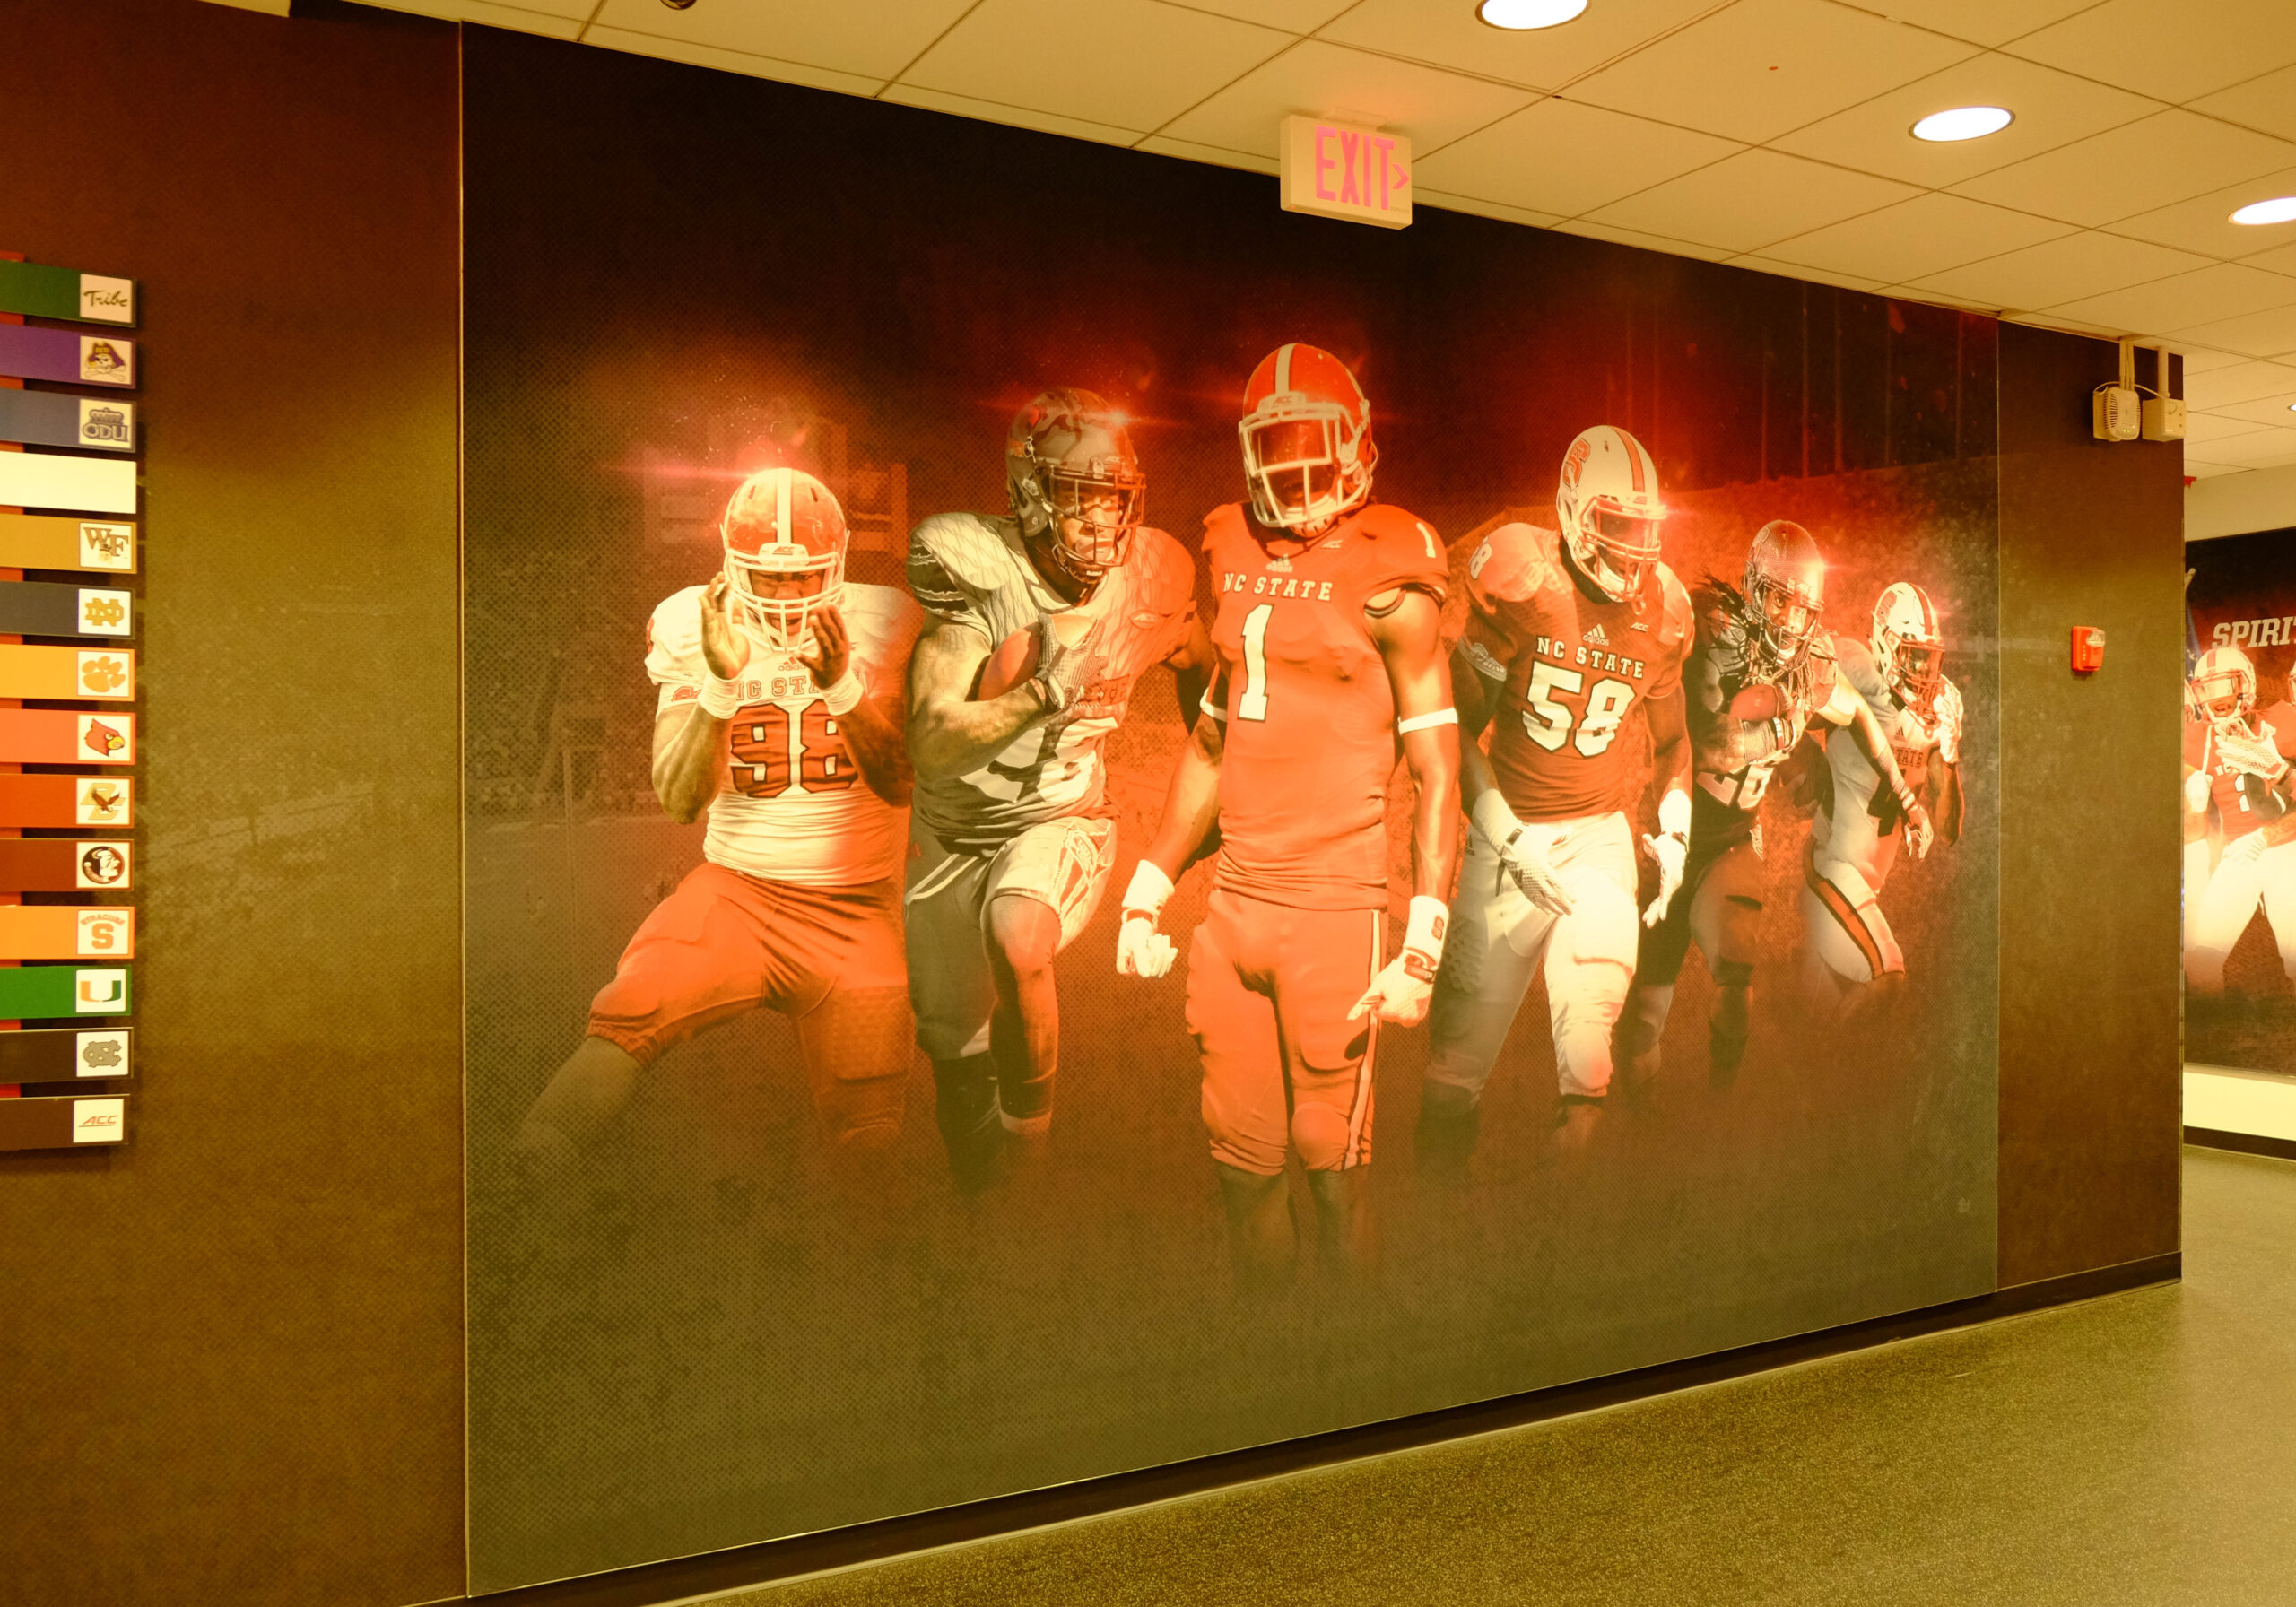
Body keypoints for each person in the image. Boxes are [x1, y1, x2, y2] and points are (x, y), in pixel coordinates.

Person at [1118, 343, 1458, 1291]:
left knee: (1331, 1171)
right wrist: (1149, 883)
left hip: (1333, 911)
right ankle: (1269, 1367)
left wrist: (1421, 943)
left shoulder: (1393, 565)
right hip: (1233, 909)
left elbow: (1438, 770)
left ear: (1357, 446)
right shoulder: (1228, 543)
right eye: (1276, 446)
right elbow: (1213, 739)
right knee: (1241, 1170)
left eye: (1313, 444)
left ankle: (1355, 1375)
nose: (1294, 468)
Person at [516, 466, 921, 1205]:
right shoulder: (691, 624)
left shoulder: (887, 622)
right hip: (739, 893)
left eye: (805, 580)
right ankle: (518, 1189)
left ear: (837, 569)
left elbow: (899, 779)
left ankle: (876, 1283)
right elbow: (677, 798)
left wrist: (842, 688)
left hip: (857, 910)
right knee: (630, 1009)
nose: (789, 598)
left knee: (870, 1137)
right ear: (733, 567)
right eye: (768, 578)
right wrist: (721, 683)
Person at [904, 388, 1209, 1187]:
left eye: (1115, 499)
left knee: (1019, 936)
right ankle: (979, 1187)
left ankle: (1030, 1152)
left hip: (1061, 811)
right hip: (952, 830)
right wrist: (1038, 695)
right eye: (1080, 499)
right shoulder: (976, 569)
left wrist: (1213, 760)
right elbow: (932, 742)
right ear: (1030, 494)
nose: (1102, 522)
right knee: (954, 1057)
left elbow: (1205, 673)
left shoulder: (1154, 577)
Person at [1418, 425, 1694, 1164]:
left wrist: (1674, 825)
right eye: (1617, 524)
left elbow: (1672, 742)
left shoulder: (1663, 613)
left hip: (1599, 841)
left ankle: (1561, 1240)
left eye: (1646, 528)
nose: (1635, 548)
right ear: (1573, 513)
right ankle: (1432, 1232)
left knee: (1589, 1063)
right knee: (1451, 1083)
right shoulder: (1525, 580)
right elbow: (1455, 730)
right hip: (1507, 839)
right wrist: (1508, 838)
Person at [1618, 520, 1930, 1086]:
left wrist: (1906, 795)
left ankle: (1718, 1113)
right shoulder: (1715, 634)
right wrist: (1788, 731)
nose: (1789, 620)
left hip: (1734, 837)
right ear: (1752, 587)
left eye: (1801, 608)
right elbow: (1712, 744)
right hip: (1672, 834)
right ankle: (1637, 1130)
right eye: (1777, 600)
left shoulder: (1810, 664)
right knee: (1642, 1014)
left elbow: (1857, 712)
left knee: (1736, 986)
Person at [1801, 581, 1967, 1011]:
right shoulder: (1856, 673)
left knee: (1818, 1018)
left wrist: (1948, 757)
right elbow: (1796, 712)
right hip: (1830, 865)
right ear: (1884, 644)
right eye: (1913, 654)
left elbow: (1948, 831)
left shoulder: (1937, 711)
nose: (1924, 670)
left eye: (1930, 658)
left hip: (1864, 885)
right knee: (1886, 976)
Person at [2182, 644, 2296, 995]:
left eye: (2224, 686)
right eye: (2206, 688)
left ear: (2244, 684)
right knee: (2201, 966)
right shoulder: (2195, 740)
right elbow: (2193, 830)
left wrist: (2279, 772)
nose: (2216, 699)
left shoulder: (2281, 721)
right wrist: (2193, 798)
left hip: (2288, 851)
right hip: (2239, 856)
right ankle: (2211, 1044)